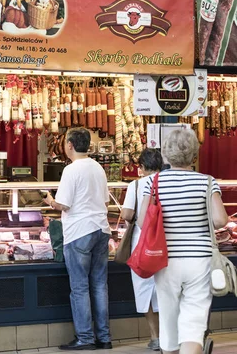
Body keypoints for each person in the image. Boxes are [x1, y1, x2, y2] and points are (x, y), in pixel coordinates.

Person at [137, 129, 228, 354]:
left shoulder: (154, 182)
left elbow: (141, 221)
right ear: (194, 156)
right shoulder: (207, 182)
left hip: (164, 260)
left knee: (168, 320)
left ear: (166, 155)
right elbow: (220, 220)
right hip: (200, 261)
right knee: (194, 323)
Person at [44, 128, 112, 350]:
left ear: (70, 145)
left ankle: (85, 338)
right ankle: (104, 337)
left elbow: (64, 204)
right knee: (100, 285)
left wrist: (50, 201)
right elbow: (106, 202)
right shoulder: (98, 168)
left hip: (79, 232)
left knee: (80, 287)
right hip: (101, 229)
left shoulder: (71, 170)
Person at [120, 148, 163, 351]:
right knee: (165, 290)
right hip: (166, 244)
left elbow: (128, 214)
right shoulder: (168, 182)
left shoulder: (136, 185)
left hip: (142, 245)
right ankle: (170, 334)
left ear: (142, 167)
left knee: (144, 290)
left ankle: (155, 337)